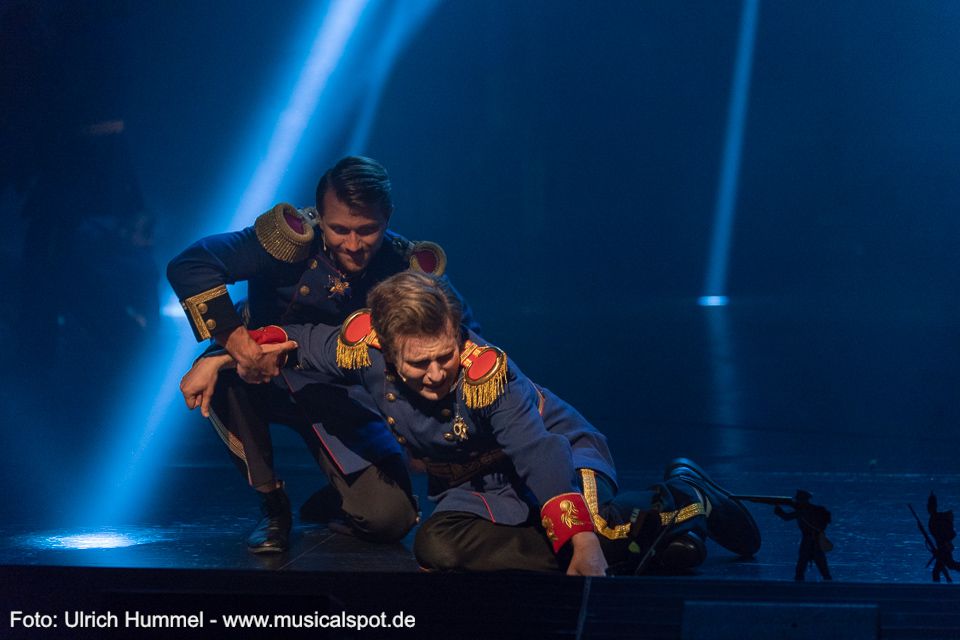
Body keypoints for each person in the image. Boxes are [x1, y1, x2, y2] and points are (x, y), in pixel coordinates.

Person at [198, 271, 762, 574]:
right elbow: (294, 343)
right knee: (436, 549)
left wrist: (582, 543)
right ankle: (649, 546)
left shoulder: (490, 375)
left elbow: (539, 455)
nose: (439, 372)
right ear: (387, 348)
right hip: (472, 484)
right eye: (420, 362)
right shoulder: (360, 347)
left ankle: (682, 499)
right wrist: (219, 358)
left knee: (590, 531)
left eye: (446, 353)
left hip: (560, 455)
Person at [170, 156, 476, 553]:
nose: (353, 245)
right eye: (339, 229)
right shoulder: (285, 240)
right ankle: (272, 506)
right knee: (228, 377)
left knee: (391, 519)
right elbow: (192, 265)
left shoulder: (404, 266)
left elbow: (464, 335)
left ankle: (338, 495)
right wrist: (234, 345)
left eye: (368, 230)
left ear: (388, 217)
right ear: (319, 215)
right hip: (263, 372)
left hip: (341, 393)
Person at [775, 489, 833, 581]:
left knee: (803, 561)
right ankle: (827, 580)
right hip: (817, 538)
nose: (798, 501)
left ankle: (800, 580)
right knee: (820, 562)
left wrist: (778, 510)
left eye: (799, 500)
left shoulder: (803, 511)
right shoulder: (815, 509)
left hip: (809, 539)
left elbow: (786, 517)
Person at [927, 492, 960, 583]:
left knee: (944, 568)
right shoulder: (934, 519)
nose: (928, 508)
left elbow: (946, 535)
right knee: (948, 566)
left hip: (944, 548)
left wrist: (942, 546)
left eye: (930, 505)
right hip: (942, 548)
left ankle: (937, 589)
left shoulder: (937, 519)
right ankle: (939, 588)